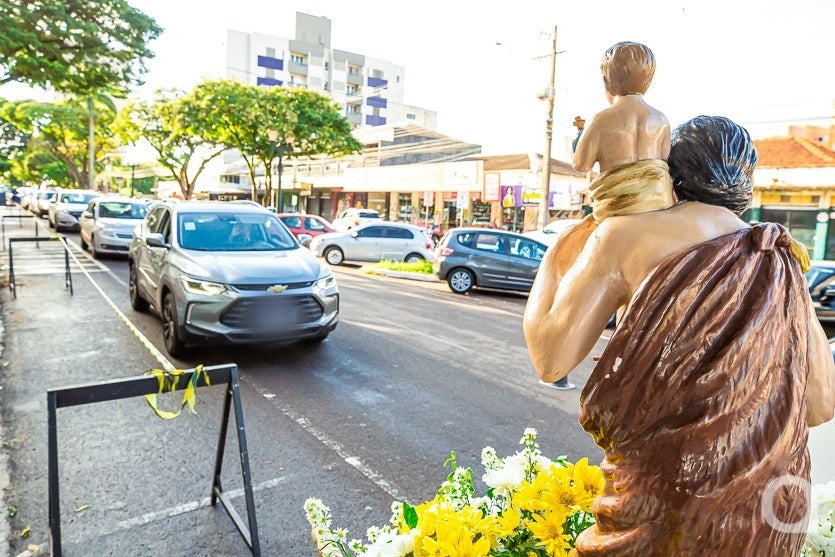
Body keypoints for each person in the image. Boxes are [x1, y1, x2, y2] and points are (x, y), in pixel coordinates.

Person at [523, 115, 835, 555]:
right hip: (765, 517)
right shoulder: (780, 258)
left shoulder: (623, 235)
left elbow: (550, 357)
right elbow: (821, 404)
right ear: (745, 182)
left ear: (671, 172)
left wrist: (556, 257)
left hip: (663, 501)